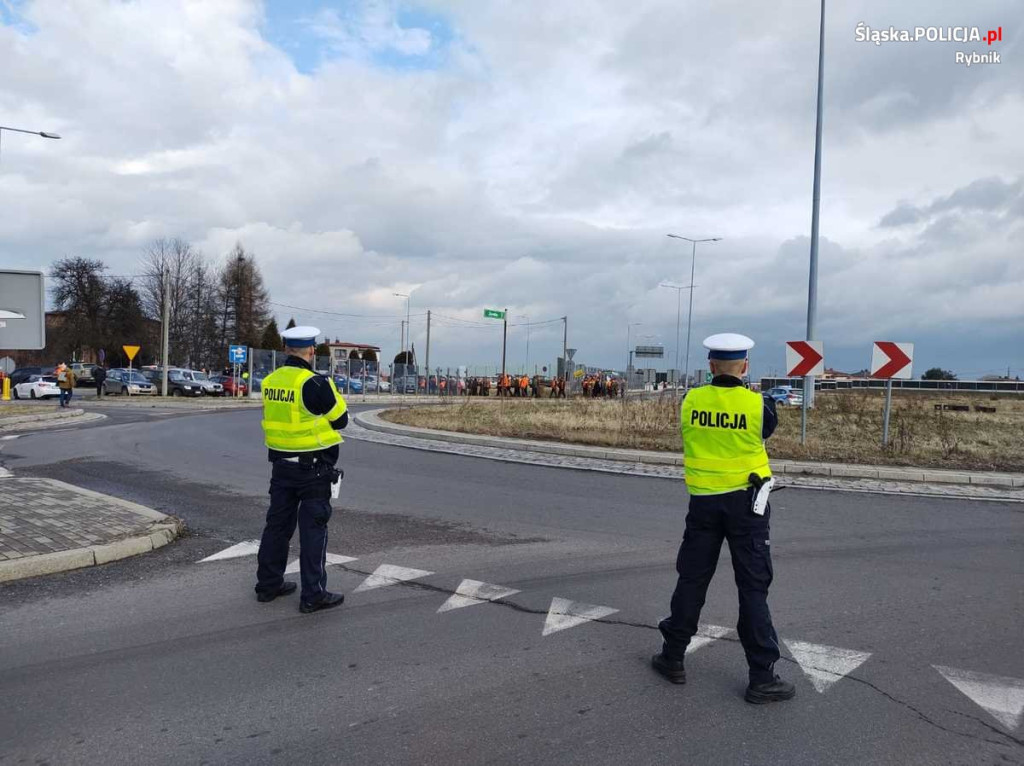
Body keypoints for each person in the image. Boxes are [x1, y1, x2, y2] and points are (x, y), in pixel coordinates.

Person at [652, 333, 794, 705]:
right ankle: (762, 676)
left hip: (702, 504)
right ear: (745, 367)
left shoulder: (690, 400)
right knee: (752, 587)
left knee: (692, 579)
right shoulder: (759, 405)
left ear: (711, 366)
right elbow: (766, 432)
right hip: (747, 507)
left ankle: (672, 657)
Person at [255, 326, 349, 614]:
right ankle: (313, 595)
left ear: (285, 350)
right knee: (313, 531)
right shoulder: (315, 384)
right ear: (311, 352)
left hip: (281, 468)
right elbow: (341, 419)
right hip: (313, 471)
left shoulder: (270, 381)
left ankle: (268, 586)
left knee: (277, 527)